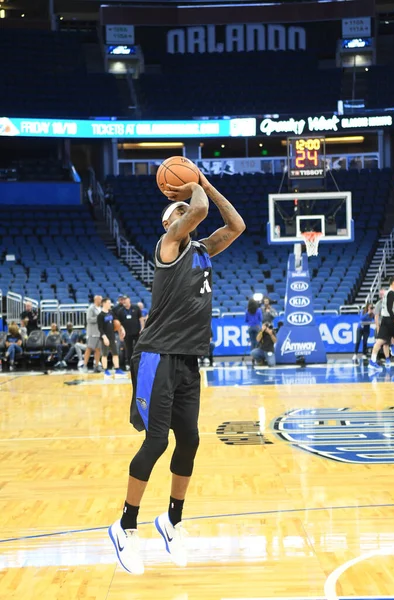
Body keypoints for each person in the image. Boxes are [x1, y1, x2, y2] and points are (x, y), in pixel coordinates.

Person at [108, 171, 245, 575]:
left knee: (190, 440)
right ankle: (125, 526)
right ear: (170, 224)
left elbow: (236, 225)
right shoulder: (168, 246)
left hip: (186, 358)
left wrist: (204, 183)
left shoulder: (203, 249)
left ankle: (172, 519)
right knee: (155, 443)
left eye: (187, 209)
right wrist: (193, 187)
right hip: (156, 356)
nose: (188, 213)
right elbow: (200, 207)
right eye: (179, 212)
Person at [369, 276, 394, 371]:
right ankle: (392, 346)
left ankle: (391, 346)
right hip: (390, 319)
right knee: (380, 341)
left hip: (386, 319)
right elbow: (390, 309)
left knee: (381, 341)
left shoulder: (387, 293)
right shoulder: (391, 294)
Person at [97, 298, 126, 378]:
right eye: (109, 303)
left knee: (115, 353)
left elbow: (117, 321)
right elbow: (100, 328)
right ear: (104, 303)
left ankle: (117, 370)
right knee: (104, 355)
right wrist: (104, 337)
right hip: (105, 338)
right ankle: (105, 371)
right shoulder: (100, 315)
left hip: (112, 337)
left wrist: (121, 328)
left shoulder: (111, 312)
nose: (110, 304)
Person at [119, 296, 144, 369]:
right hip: (126, 334)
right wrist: (121, 333)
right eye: (123, 300)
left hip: (137, 332)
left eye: (125, 300)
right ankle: (130, 364)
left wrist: (142, 328)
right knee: (128, 349)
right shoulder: (120, 311)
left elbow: (141, 318)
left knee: (138, 348)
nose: (124, 301)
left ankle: (138, 363)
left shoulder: (136, 307)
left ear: (129, 300)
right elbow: (119, 323)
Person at [83, 295, 102, 373]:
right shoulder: (91, 308)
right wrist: (99, 318)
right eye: (100, 299)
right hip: (92, 332)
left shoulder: (101, 308)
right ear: (96, 300)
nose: (101, 301)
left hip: (99, 332)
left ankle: (96, 365)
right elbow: (89, 319)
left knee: (98, 350)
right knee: (89, 349)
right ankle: (84, 365)